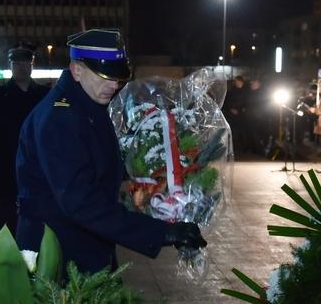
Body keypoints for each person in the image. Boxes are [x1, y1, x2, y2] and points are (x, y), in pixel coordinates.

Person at [15, 29, 207, 274]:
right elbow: (81, 203)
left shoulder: (86, 104)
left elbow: (99, 169)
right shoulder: (60, 118)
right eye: (105, 76)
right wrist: (162, 232)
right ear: (76, 70)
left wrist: (163, 177)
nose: (114, 85)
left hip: (83, 247)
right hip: (58, 256)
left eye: (117, 78)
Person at [0, 42, 49, 234]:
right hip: (7, 178)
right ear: (9, 66)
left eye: (25, 63)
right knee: (10, 235)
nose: (21, 67)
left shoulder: (46, 96)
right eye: (16, 63)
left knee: (41, 235)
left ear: (32, 65)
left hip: (40, 177)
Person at [222, 76, 248, 158]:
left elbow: (246, 103)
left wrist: (239, 110)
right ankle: (235, 148)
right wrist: (231, 109)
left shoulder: (246, 91)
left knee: (242, 132)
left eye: (237, 81)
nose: (236, 83)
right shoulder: (232, 91)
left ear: (241, 82)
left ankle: (243, 148)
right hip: (232, 114)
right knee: (233, 131)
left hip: (241, 115)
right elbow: (228, 101)